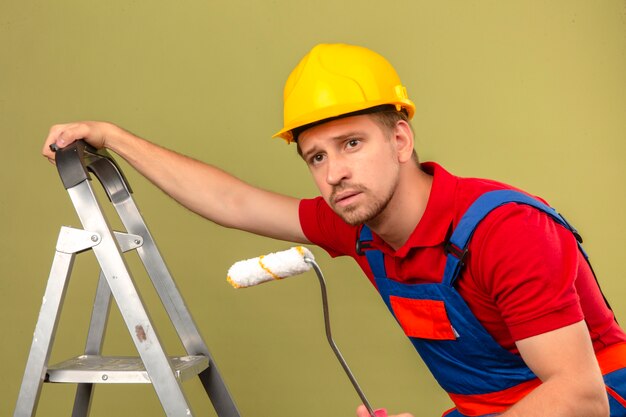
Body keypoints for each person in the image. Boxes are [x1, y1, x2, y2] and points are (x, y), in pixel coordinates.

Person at [42, 43, 626, 417]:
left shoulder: (504, 231)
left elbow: (579, 398)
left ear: (401, 140)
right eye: (316, 157)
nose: (335, 172)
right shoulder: (359, 224)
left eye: (352, 143)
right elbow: (234, 201)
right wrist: (113, 136)